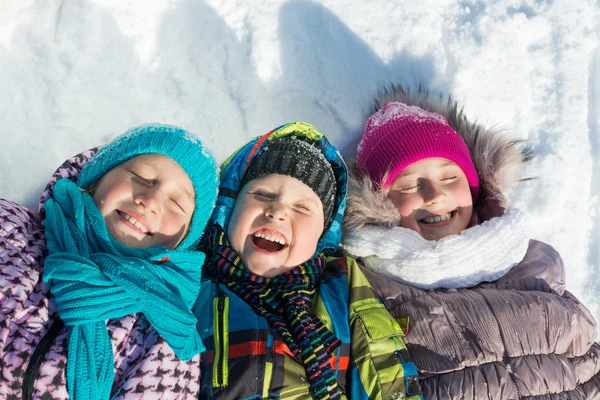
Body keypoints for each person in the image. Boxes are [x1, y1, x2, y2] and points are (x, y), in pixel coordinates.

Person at [340, 85, 600, 399]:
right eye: (409, 184)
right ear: (379, 204)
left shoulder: (532, 266)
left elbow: (587, 365)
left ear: (474, 188)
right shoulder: (369, 289)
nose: (435, 195)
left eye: (450, 178)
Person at [193, 121, 423, 399]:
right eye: (263, 194)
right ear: (228, 208)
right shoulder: (193, 280)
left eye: (302, 208)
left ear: (322, 236)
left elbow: (384, 370)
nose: (277, 212)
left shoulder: (339, 284)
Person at [0, 124, 219, 399]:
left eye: (177, 203)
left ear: (184, 241)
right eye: (140, 176)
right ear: (95, 180)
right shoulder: (9, 229)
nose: (150, 200)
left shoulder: (164, 342)